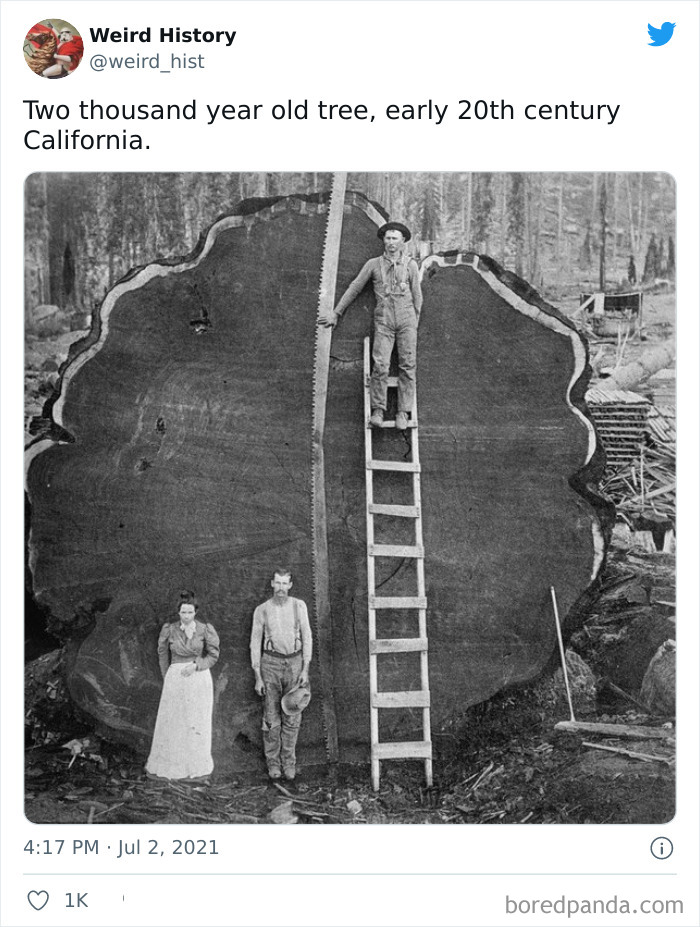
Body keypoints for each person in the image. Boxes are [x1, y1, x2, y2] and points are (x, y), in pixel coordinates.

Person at [321, 222, 423, 430]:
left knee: (408, 366)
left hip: (407, 321)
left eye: (395, 238)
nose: (391, 242)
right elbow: (355, 287)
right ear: (383, 241)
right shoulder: (374, 264)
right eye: (388, 238)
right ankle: (378, 409)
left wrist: (414, 324)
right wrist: (336, 313)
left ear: (403, 241)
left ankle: (403, 412)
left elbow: (418, 298)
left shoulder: (411, 265)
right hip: (384, 321)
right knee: (381, 365)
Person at [146, 591, 220, 781]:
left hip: (198, 678)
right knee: (174, 722)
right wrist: (168, 677)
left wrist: (197, 665)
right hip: (176, 678)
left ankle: (195, 766)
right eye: (183, 612)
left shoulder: (205, 629)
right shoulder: (170, 629)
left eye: (190, 612)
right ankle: (174, 767)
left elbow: (213, 655)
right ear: (178, 612)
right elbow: (162, 654)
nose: (186, 616)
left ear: (195, 612)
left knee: (196, 721)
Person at [250, 569, 312, 783]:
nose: (281, 588)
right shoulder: (262, 610)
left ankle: (289, 762)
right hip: (270, 664)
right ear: (271, 584)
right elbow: (254, 642)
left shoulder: (299, 606)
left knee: (292, 715)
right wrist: (257, 674)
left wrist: (305, 669)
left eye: (285, 583)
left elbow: (307, 636)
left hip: (295, 664)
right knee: (271, 716)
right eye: (277, 583)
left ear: (290, 585)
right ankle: (273, 763)